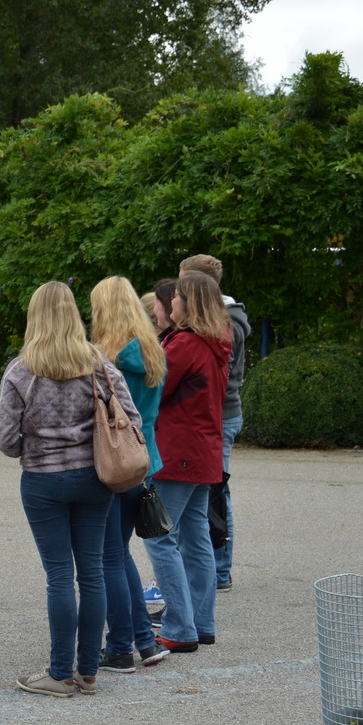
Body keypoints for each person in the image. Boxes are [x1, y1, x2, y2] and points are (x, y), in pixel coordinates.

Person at [0, 282, 141, 698]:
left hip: (42, 481)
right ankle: (89, 672)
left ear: (34, 317)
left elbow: (5, 441)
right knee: (91, 572)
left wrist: (38, 443)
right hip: (95, 479)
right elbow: (131, 418)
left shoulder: (21, 371)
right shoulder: (98, 364)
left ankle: (59, 674)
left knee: (59, 575)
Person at [145, 271, 232, 654]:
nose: (172, 301)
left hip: (178, 452)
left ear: (189, 303)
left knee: (159, 536)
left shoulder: (184, 344)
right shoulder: (216, 343)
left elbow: (153, 389)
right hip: (204, 452)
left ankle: (180, 627)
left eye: (177, 296)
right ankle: (201, 622)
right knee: (196, 539)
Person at [89, 277, 170, 672]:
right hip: (144, 459)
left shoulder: (110, 357)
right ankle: (144, 640)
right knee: (118, 555)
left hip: (115, 459)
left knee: (107, 557)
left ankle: (120, 645)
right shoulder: (154, 350)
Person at [179, 254, 251, 593]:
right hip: (218, 414)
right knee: (210, 495)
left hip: (220, 415)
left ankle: (220, 571)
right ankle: (212, 570)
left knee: (216, 496)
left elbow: (218, 378)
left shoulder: (227, 323)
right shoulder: (221, 318)